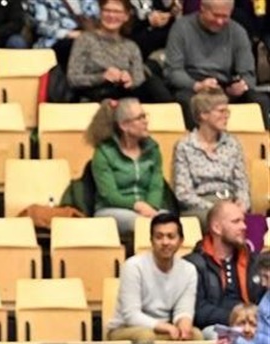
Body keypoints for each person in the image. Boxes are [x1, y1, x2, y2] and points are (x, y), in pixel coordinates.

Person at [106, 213, 201, 344]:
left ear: (181, 241)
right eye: (159, 237)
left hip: (163, 330)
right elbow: (131, 315)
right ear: (151, 240)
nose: (165, 242)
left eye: (171, 237)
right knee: (146, 336)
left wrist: (184, 324)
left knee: (196, 335)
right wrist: (165, 327)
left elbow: (184, 309)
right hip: (124, 330)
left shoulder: (189, 270)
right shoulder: (133, 266)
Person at [164, 0, 270, 128]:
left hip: (225, 87)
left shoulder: (238, 32)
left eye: (225, 16)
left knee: (260, 100)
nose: (220, 21)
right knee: (187, 100)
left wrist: (240, 86)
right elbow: (173, 71)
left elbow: (248, 74)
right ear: (202, 9)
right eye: (215, 15)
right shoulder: (181, 28)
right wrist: (197, 85)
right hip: (192, 86)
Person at [85, 98, 170, 237]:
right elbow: (110, 195)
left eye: (145, 116)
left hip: (148, 210)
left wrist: (151, 207)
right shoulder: (104, 153)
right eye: (139, 118)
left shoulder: (153, 149)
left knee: (170, 223)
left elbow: (156, 185)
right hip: (112, 209)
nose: (145, 122)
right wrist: (137, 205)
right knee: (142, 223)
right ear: (124, 125)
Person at [185, 199, 266, 336]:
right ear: (217, 228)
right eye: (236, 222)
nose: (244, 226)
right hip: (216, 328)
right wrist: (237, 317)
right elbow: (198, 311)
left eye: (243, 221)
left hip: (254, 326)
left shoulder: (254, 262)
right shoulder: (194, 264)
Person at [67, 0, 175, 103]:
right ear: (100, 13)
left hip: (126, 97)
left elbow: (139, 78)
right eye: (107, 10)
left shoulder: (131, 46)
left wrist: (129, 79)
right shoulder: (84, 40)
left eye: (117, 12)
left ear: (126, 16)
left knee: (153, 84)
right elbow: (73, 79)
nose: (111, 15)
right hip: (94, 97)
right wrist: (102, 76)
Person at [172, 89, 251, 220]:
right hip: (201, 206)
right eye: (221, 111)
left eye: (227, 111)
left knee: (256, 225)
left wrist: (242, 204)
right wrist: (217, 209)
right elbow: (183, 193)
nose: (226, 116)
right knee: (226, 222)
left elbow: (242, 183)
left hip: (231, 202)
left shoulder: (232, 143)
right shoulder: (185, 146)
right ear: (203, 114)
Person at [223, 253, 269, 344]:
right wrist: (235, 342)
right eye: (262, 277)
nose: (263, 284)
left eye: (267, 277)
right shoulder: (265, 305)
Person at [28, 0, 102, 65]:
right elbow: (40, 26)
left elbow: (96, 16)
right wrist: (69, 34)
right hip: (55, 40)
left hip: (87, 33)